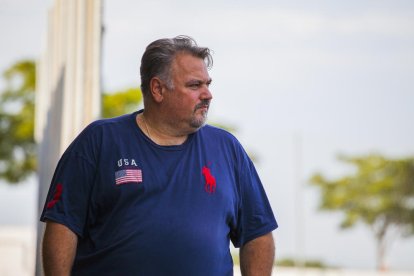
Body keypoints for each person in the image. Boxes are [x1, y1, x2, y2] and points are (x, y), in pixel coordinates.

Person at [40, 35, 278, 276]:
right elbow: (62, 226)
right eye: (195, 85)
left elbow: (257, 233)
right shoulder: (100, 141)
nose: (207, 94)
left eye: (208, 84)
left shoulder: (227, 148)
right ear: (158, 89)